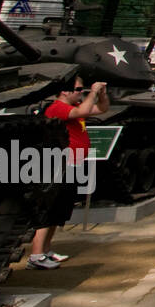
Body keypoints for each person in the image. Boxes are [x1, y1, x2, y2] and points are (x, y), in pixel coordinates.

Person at [28, 76, 108, 269]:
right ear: (64, 91)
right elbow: (84, 109)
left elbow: (102, 109)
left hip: (72, 163)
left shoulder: (74, 108)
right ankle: (36, 255)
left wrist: (102, 95)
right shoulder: (57, 108)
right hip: (60, 164)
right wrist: (93, 92)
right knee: (49, 209)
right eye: (78, 89)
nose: (81, 92)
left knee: (59, 209)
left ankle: (46, 251)